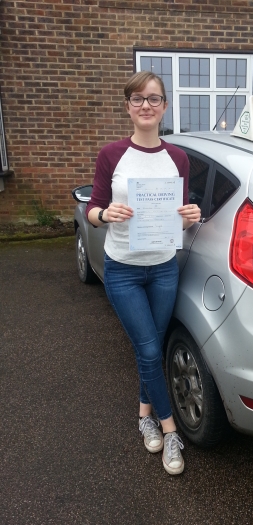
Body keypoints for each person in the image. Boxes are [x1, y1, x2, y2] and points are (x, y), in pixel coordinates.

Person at [86, 71, 201, 475]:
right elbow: (93, 209)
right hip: (123, 271)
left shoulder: (179, 158)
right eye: (137, 99)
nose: (146, 105)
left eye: (153, 98)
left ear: (165, 107)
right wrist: (104, 213)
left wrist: (191, 216)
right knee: (151, 350)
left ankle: (143, 415)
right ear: (128, 107)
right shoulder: (111, 155)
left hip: (164, 269)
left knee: (149, 346)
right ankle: (171, 430)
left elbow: (180, 219)